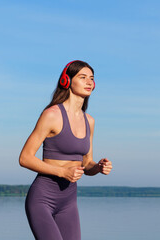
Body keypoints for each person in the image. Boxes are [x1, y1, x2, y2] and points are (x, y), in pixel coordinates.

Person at [19, 60, 113, 240]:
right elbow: (25, 158)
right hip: (42, 199)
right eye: (83, 77)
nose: (89, 82)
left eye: (91, 79)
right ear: (67, 81)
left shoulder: (90, 121)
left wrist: (99, 167)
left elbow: (86, 163)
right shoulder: (52, 115)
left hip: (69, 201)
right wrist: (62, 172)